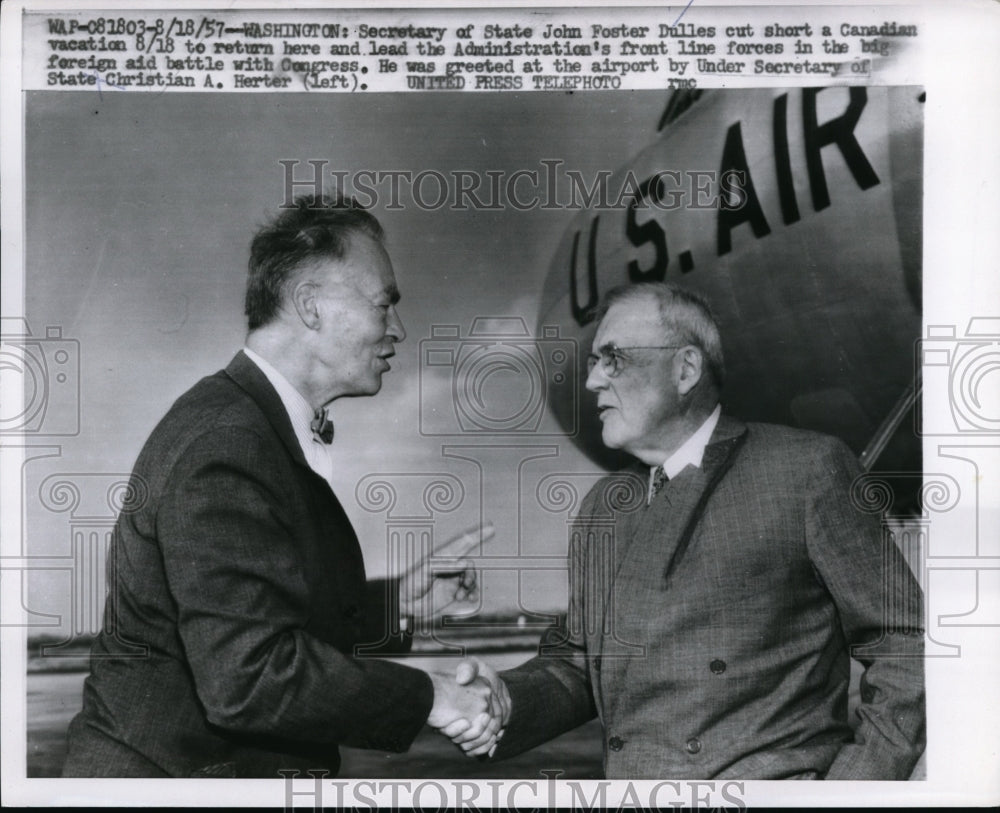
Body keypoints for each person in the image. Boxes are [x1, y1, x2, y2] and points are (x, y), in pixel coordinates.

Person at [62, 194, 501, 778]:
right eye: (383, 304)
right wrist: (433, 695)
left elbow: (255, 615)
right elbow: (247, 678)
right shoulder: (229, 443)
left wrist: (398, 604)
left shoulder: (244, 424)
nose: (397, 329)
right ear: (310, 305)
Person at [448, 281, 925, 780]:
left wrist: (850, 791)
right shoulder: (603, 506)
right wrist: (506, 698)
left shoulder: (806, 469)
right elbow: (580, 661)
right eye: (592, 362)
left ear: (685, 370)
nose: (591, 382)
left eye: (612, 359)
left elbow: (905, 643)